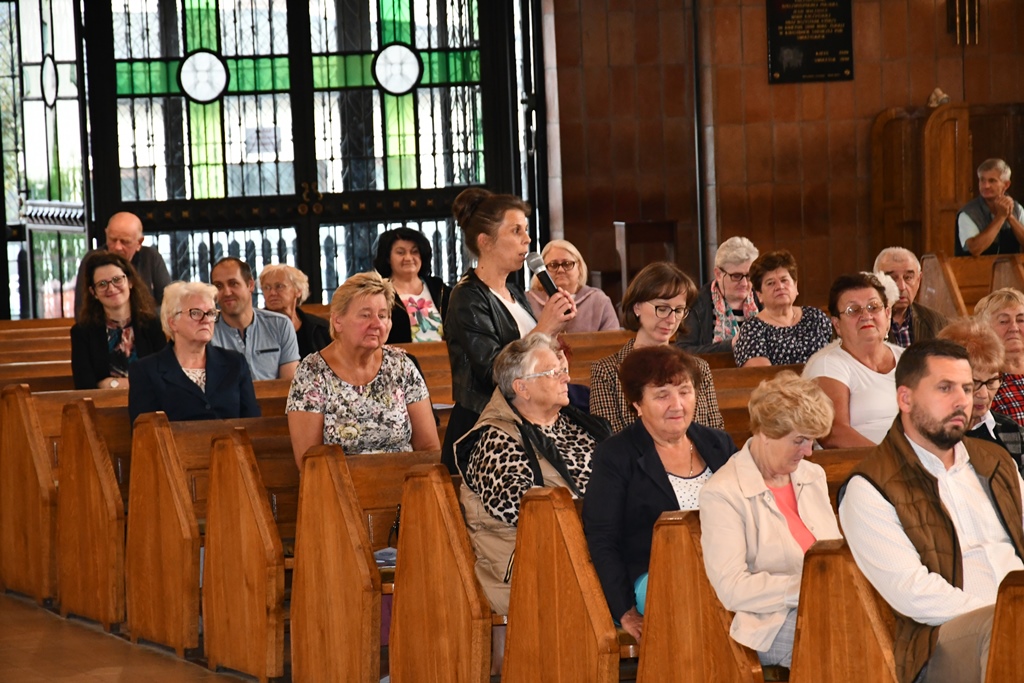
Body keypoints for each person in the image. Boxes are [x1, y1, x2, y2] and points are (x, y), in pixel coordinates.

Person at [838, 339, 1024, 683]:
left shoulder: (996, 461)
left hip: (1015, 612)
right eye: (945, 388)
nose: (962, 400)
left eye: (966, 388)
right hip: (937, 640)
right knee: (1012, 632)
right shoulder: (870, 486)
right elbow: (913, 593)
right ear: (905, 399)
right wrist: (1009, 611)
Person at [583, 345, 737, 642]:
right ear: (637, 404)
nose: (677, 405)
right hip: (653, 575)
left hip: (727, 568)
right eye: (662, 395)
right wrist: (624, 611)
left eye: (684, 391)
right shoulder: (616, 455)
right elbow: (602, 537)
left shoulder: (719, 444)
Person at [456, 334, 611, 614]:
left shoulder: (581, 427)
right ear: (522, 388)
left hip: (589, 550)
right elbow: (524, 511)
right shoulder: (495, 438)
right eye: (554, 372)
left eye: (563, 370)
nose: (566, 378)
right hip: (530, 565)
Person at [700, 372, 840, 668]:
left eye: (812, 441)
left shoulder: (812, 475)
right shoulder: (723, 492)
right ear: (765, 433)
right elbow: (732, 588)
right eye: (799, 441)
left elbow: (833, 552)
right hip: (767, 623)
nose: (808, 452)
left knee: (902, 632)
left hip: (826, 604)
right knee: (845, 641)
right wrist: (807, 589)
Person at [441, 188, 576, 472]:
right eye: (516, 230)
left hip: (526, 422)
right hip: (485, 430)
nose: (527, 239)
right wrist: (544, 327)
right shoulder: (467, 297)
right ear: (485, 241)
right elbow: (494, 372)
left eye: (526, 230)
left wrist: (554, 339)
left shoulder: (515, 293)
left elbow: (533, 356)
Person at [286, 271, 439, 468]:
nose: (377, 324)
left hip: (405, 481)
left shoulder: (402, 365)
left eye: (382, 315)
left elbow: (428, 447)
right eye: (365, 315)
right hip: (339, 484)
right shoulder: (312, 373)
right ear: (338, 321)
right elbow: (310, 463)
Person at [590, 262, 725, 434]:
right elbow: (609, 437)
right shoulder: (607, 371)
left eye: (679, 310)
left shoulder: (698, 368)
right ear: (637, 307)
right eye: (662, 308)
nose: (671, 320)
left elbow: (714, 434)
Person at [128, 281, 260, 423]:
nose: (206, 320)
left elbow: (253, 424)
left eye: (211, 313)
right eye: (196, 313)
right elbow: (145, 431)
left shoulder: (235, 362)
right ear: (173, 322)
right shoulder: (146, 370)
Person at [803, 273, 904, 447]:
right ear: (837, 325)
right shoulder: (828, 364)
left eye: (873, 307)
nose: (866, 315)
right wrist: (887, 458)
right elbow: (833, 433)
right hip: (862, 460)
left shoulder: (907, 358)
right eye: (853, 310)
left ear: (887, 314)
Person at [939, 317, 1024, 472]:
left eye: (992, 381)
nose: (984, 394)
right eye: (975, 383)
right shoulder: (929, 435)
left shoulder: (1011, 431)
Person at [71, 251, 166, 390]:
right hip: (103, 403)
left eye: (117, 280)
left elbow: (163, 376)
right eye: (102, 284)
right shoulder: (82, 332)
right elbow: (84, 385)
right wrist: (141, 383)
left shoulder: (151, 324)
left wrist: (112, 384)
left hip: (149, 402)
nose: (111, 288)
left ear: (130, 282)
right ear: (93, 292)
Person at [733, 250, 831, 367]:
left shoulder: (815, 317)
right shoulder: (752, 329)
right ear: (759, 294)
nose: (779, 286)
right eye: (770, 283)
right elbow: (761, 374)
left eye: (784, 280)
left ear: (795, 286)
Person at [210, 257, 300, 381]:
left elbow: (289, 385)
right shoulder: (206, 330)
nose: (226, 292)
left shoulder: (281, 325)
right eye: (219, 286)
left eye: (233, 283)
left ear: (250, 285)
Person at [74, 212, 172, 318]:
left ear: (139, 242)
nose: (117, 247)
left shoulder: (150, 257)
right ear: (106, 234)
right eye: (113, 240)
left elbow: (169, 303)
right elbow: (81, 310)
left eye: (125, 242)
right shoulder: (92, 260)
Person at [677, 236, 761, 354]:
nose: (744, 283)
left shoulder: (763, 298)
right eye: (736, 276)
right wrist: (729, 346)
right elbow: (682, 351)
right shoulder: (697, 303)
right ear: (718, 274)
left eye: (749, 276)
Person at [372, 226, 452, 344]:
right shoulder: (379, 293)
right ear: (388, 258)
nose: (408, 258)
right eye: (400, 252)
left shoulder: (440, 290)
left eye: (414, 252)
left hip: (443, 355)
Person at [526, 239, 619, 333]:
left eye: (567, 264)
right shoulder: (527, 301)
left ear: (579, 267)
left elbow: (613, 338)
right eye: (553, 265)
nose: (560, 270)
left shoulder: (598, 300)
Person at [874, 247, 948, 347]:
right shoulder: (866, 321)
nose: (902, 287)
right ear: (876, 281)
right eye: (892, 279)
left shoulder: (937, 322)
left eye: (908, 278)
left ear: (919, 280)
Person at [974, 287, 1024, 425]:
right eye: (1003, 321)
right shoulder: (984, 383)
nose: (1014, 328)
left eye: (1021, 320)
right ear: (984, 330)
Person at [258, 263, 330, 358]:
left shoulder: (319, 328)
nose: (272, 292)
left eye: (279, 286)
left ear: (298, 290)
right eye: (266, 287)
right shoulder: (254, 328)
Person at [956, 158, 1024, 256]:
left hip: (1011, 265)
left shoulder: (1017, 208)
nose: (986, 186)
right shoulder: (968, 213)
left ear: (1006, 185)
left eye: (992, 181)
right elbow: (975, 249)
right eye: (982, 180)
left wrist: (1010, 217)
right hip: (977, 266)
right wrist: (1000, 217)